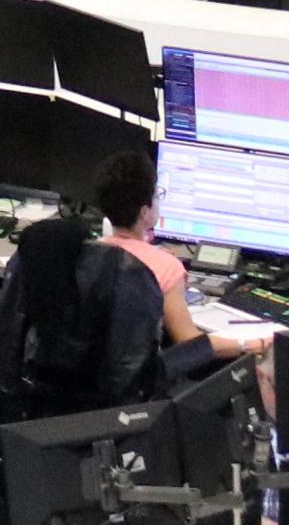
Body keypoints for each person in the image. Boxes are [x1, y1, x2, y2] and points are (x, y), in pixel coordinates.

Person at [92, 150, 269, 365]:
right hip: (140, 380)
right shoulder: (165, 266)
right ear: (144, 212)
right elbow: (188, 341)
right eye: (157, 195)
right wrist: (252, 344)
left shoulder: (92, 251)